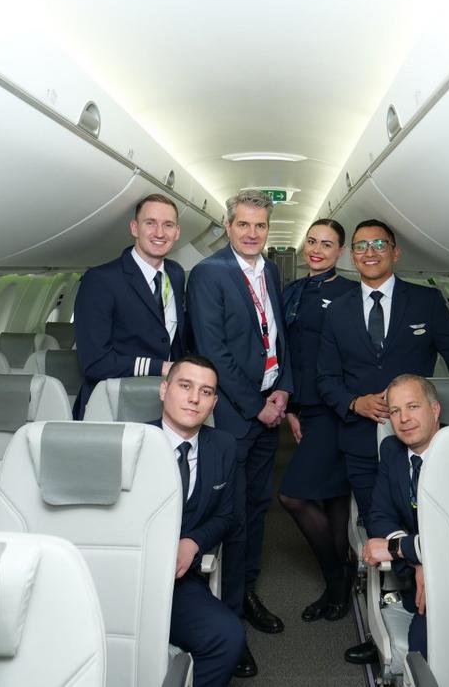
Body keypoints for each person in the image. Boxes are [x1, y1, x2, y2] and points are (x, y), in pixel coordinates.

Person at [316, 219, 449, 527]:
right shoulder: (337, 310)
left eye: (379, 244)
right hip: (361, 439)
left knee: (428, 521)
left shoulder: (426, 301)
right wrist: (355, 403)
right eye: (361, 246)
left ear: (395, 252)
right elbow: (326, 378)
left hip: (418, 440)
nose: (370, 252)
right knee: (376, 522)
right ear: (352, 256)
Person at [186, 190, 293, 676]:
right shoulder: (209, 274)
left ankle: (247, 591)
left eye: (260, 226)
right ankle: (229, 620)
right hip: (232, 416)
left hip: (269, 405)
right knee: (231, 516)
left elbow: (278, 336)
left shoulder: (269, 271)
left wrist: (283, 389)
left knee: (257, 506)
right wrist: (257, 407)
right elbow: (214, 350)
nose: (252, 233)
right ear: (227, 226)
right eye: (244, 224)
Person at [277, 219, 358, 622]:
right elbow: (288, 352)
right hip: (308, 404)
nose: (317, 249)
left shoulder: (350, 293)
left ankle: (337, 580)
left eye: (327, 244)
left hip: (336, 407)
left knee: (294, 494)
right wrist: (292, 408)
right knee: (333, 495)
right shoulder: (292, 291)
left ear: (340, 252)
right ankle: (339, 583)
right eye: (312, 241)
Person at [149, 355, 245, 687]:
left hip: (176, 584)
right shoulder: (130, 440)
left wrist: (194, 542)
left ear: (214, 403)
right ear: (164, 390)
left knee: (228, 638)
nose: (194, 399)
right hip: (121, 574)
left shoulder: (224, 446)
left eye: (206, 392)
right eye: (185, 386)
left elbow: (226, 515)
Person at [345, 374, 440, 667]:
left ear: (435, 409)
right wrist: (418, 561)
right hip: (419, 576)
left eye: (413, 406)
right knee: (421, 650)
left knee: (426, 651)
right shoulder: (392, 450)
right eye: (395, 411)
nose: (404, 418)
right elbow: (379, 515)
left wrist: (400, 549)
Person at [72, 194, 185, 418]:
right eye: (150, 223)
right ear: (134, 228)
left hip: (162, 403)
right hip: (113, 404)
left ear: (177, 232)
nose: (159, 233)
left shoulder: (176, 274)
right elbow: (95, 363)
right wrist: (163, 367)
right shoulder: (100, 280)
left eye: (168, 225)